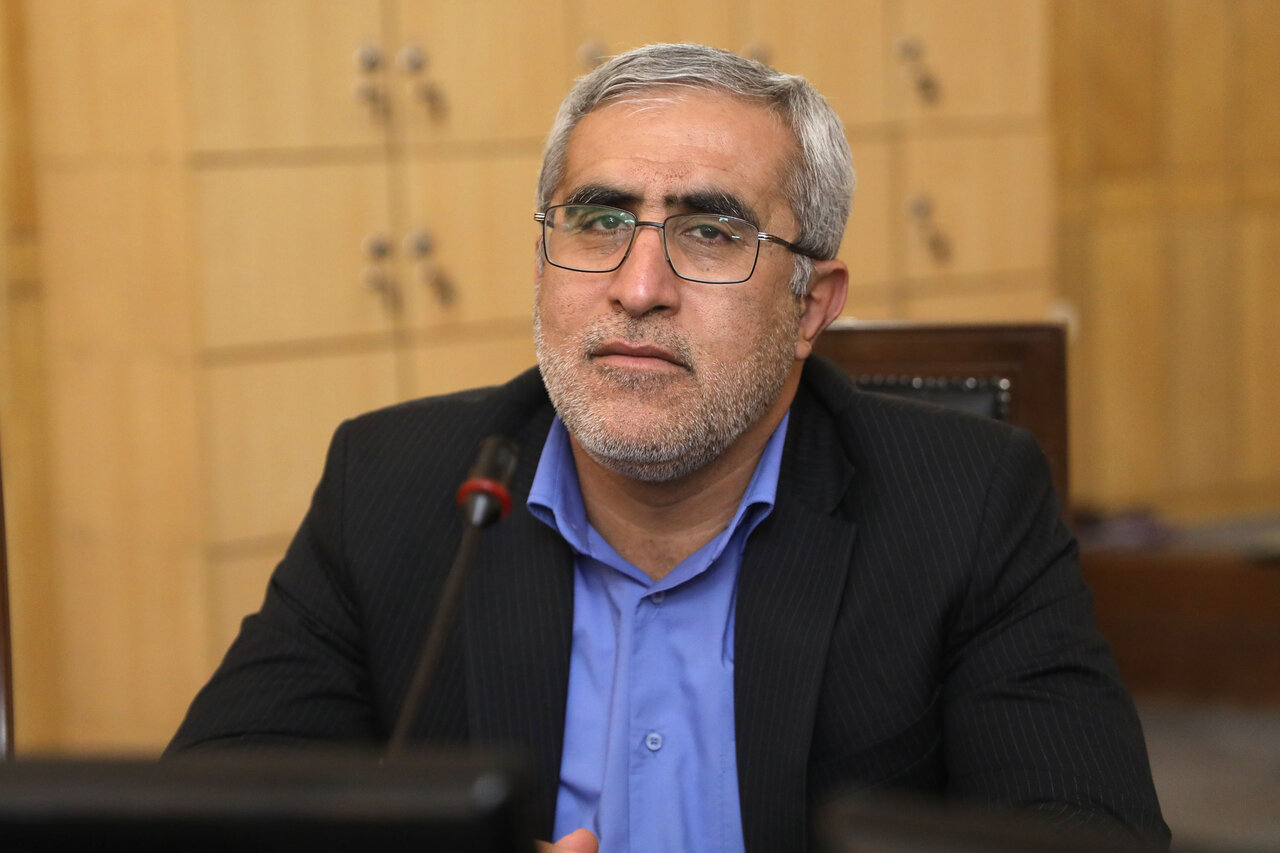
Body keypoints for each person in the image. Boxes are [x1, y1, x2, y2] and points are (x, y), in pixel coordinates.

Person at [169, 43, 1169, 852]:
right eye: (598, 221)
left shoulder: (964, 504)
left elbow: (1083, 830)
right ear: (542, 264)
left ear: (810, 305)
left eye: (710, 233)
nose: (637, 286)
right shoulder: (398, 487)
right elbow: (209, 812)